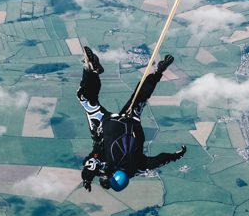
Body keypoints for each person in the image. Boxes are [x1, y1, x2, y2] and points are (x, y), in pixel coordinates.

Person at [77, 46, 186, 192]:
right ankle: (91, 71)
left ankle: (158, 72)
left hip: (130, 123)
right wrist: (86, 178)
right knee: (86, 99)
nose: (103, 178)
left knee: (140, 97)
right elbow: (91, 164)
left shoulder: (135, 169)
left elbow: (156, 161)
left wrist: (175, 156)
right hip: (107, 125)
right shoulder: (106, 167)